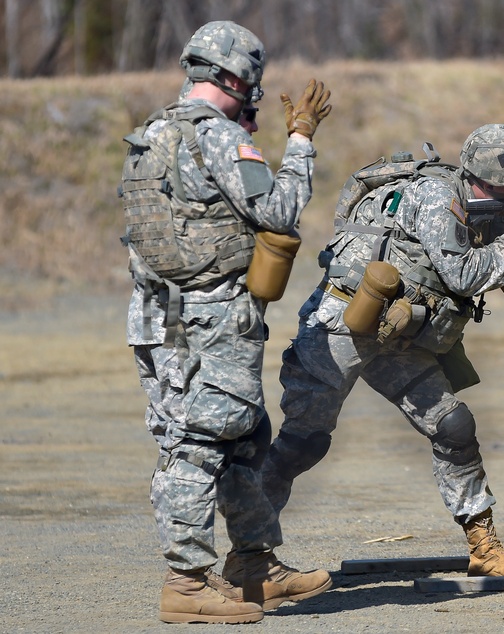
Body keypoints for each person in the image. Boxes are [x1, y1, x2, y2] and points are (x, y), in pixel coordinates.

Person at [233, 123, 504, 580]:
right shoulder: (435, 197)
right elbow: (465, 275)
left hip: (399, 334)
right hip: (343, 324)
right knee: (301, 444)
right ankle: (249, 557)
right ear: (498, 174)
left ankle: (483, 546)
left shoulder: (491, 210)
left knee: (454, 426)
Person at [120, 20, 334, 623]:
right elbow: (281, 209)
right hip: (209, 315)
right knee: (199, 442)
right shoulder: (216, 137)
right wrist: (301, 141)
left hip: (160, 314)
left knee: (242, 436)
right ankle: (186, 584)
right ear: (237, 78)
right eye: (252, 85)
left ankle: (252, 566)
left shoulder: (154, 133)